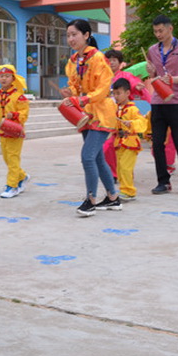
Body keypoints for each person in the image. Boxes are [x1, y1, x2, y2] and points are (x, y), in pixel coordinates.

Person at [59, 19, 119, 216]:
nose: (71, 38)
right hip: (85, 114)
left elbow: (103, 89)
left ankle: (91, 200)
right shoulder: (74, 60)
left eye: (74, 34)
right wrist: (71, 93)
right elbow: (76, 85)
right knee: (98, 158)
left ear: (86, 35)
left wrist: (83, 99)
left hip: (101, 114)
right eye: (68, 35)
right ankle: (113, 198)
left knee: (87, 157)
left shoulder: (99, 58)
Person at [145, 15, 178, 195]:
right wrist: (151, 73)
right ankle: (163, 181)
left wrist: (172, 79)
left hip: (177, 101)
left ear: (170, 29)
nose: (158, 34)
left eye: (161, 30)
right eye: (155, 31)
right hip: (158, 101)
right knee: (157, 143)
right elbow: (154, 75)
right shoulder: (152, 50)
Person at [0, 64, 30, 199]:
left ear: (13, 78)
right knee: (7, 158)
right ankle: (22, 176)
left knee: (13, 158)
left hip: (15, 131)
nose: (4, 79)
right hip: (2, 130)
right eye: (1, 76)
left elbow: (24, 113)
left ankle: (12, 186)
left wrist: (15, 115)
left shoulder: (19, 96)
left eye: (7, 76)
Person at [110, 78, 148, 202]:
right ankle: (124, 189)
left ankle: (129, 191)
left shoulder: (132, 109)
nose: (116, 96)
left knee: (126, 167)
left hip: (130, 142)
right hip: (119, 142)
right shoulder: (115, 109)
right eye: (114, 93)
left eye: (118, 93)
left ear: (127, 93)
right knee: (120, 168)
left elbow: (142, 122)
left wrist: (130, 123)